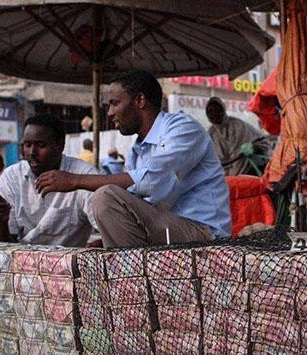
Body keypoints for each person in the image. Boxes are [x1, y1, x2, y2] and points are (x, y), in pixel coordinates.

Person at [34, 70, 231, 248]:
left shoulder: (182, 128)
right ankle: (128, 274)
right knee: (107, 205)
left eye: (114, 103)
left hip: (204, 232)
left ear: (140, 101)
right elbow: (142, 202)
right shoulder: (136, 151)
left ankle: (128, 279)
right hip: (169, 227)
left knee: (106, 197)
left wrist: (75, 180)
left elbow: (151, 181)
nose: (110, 112)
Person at [0, 114, 100, 247]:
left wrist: (100, 243)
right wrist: (2, 222)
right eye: (27, 145)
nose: (31, 152)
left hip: (67, 264)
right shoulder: (11, 177)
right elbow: (0, 248)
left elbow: (109, 228)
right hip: (20, 263)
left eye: (41, 145)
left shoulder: (83, 174)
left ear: (60, 145)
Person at [206, 96, 268, 176]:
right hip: (223, 179)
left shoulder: (238, 125)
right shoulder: (210, 135)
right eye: (210, 111)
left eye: (217, 110)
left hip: (246, 172)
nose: (214, 113)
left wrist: (251, 149)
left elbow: (262, 143)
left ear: (223, 110)